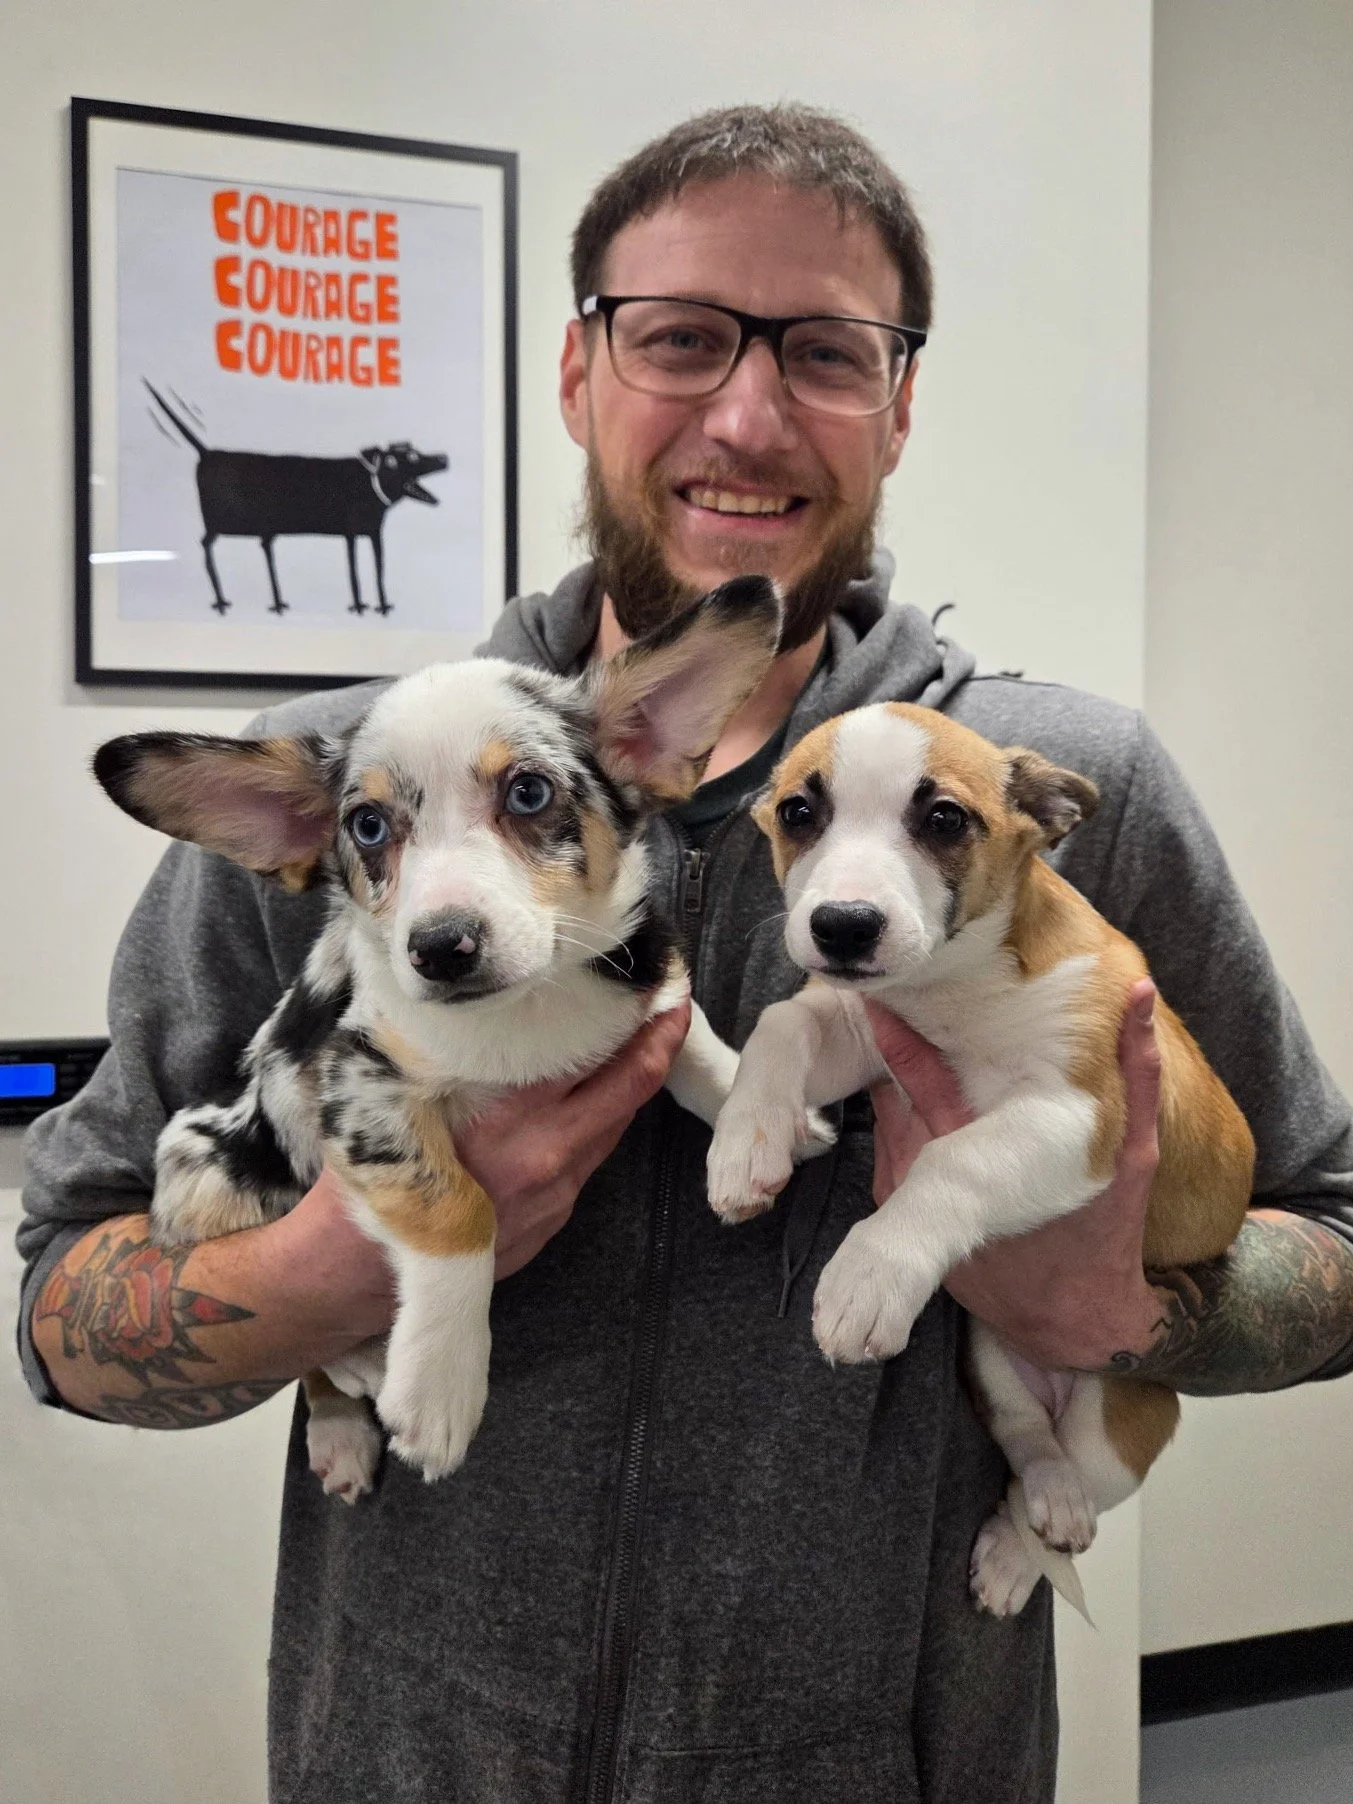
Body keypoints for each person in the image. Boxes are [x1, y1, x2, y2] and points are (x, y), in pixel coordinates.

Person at [17, 104, 1353, 1804]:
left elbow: (1337, 1234)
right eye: (679, 339)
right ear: (577, 372)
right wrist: (331, 1282)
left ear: (902, 402)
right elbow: (63, 1298)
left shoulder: (1051, 797)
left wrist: (1131, 1307)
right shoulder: (353, 809)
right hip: (413, 1759)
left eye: (824, 351)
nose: (747, 411)